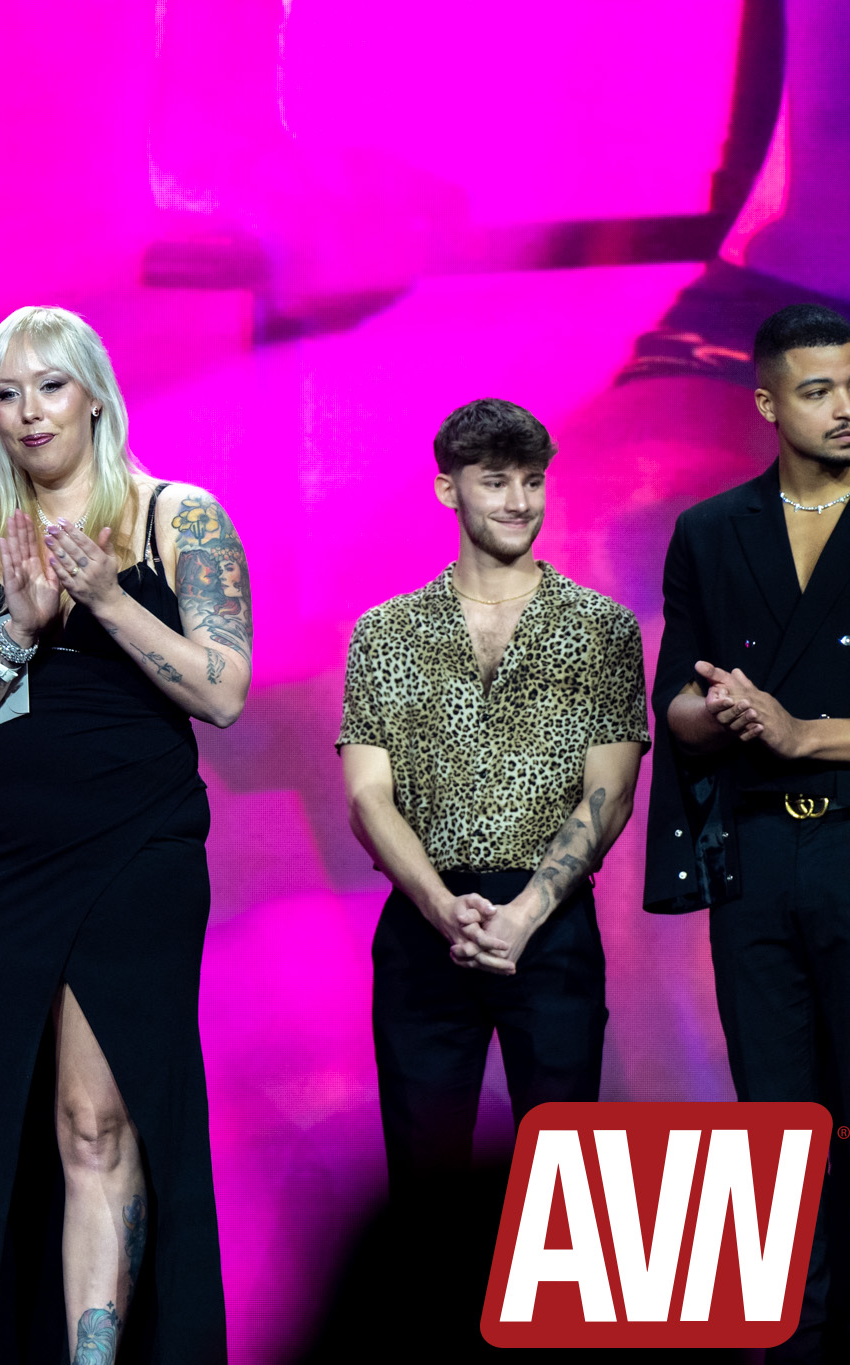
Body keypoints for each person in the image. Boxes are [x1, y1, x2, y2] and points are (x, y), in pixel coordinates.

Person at [0, 306, 249, 1365]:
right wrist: (21, 627)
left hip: (136, 848)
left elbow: (223, 691)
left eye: (49, 387)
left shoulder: (177, 516)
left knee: (96, 1117)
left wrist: (104, 600)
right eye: (6, 394)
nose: (29, 412)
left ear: (93, 396)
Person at [337, 399, 648, 1355]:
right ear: (449, 489)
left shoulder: (600, 628)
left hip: (549, 930)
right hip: (425, 929)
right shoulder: (386, 631)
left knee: (564, 1185)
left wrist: (524, 914)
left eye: (533, 480)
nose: (519, 500)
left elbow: (609, 793)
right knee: (423, 1180)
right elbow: (368, 796)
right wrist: (443, 907)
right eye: (496, 481)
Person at [649, 303, 850, 1361]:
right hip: (758, 855)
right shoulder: (710, 530)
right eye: (818, 390)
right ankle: (792, 1335)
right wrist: (713, 711)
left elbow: (796, 726)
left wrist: (800, 731)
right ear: (767, 403)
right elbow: (675, 702)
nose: (844, 407)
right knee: (776, 1115)